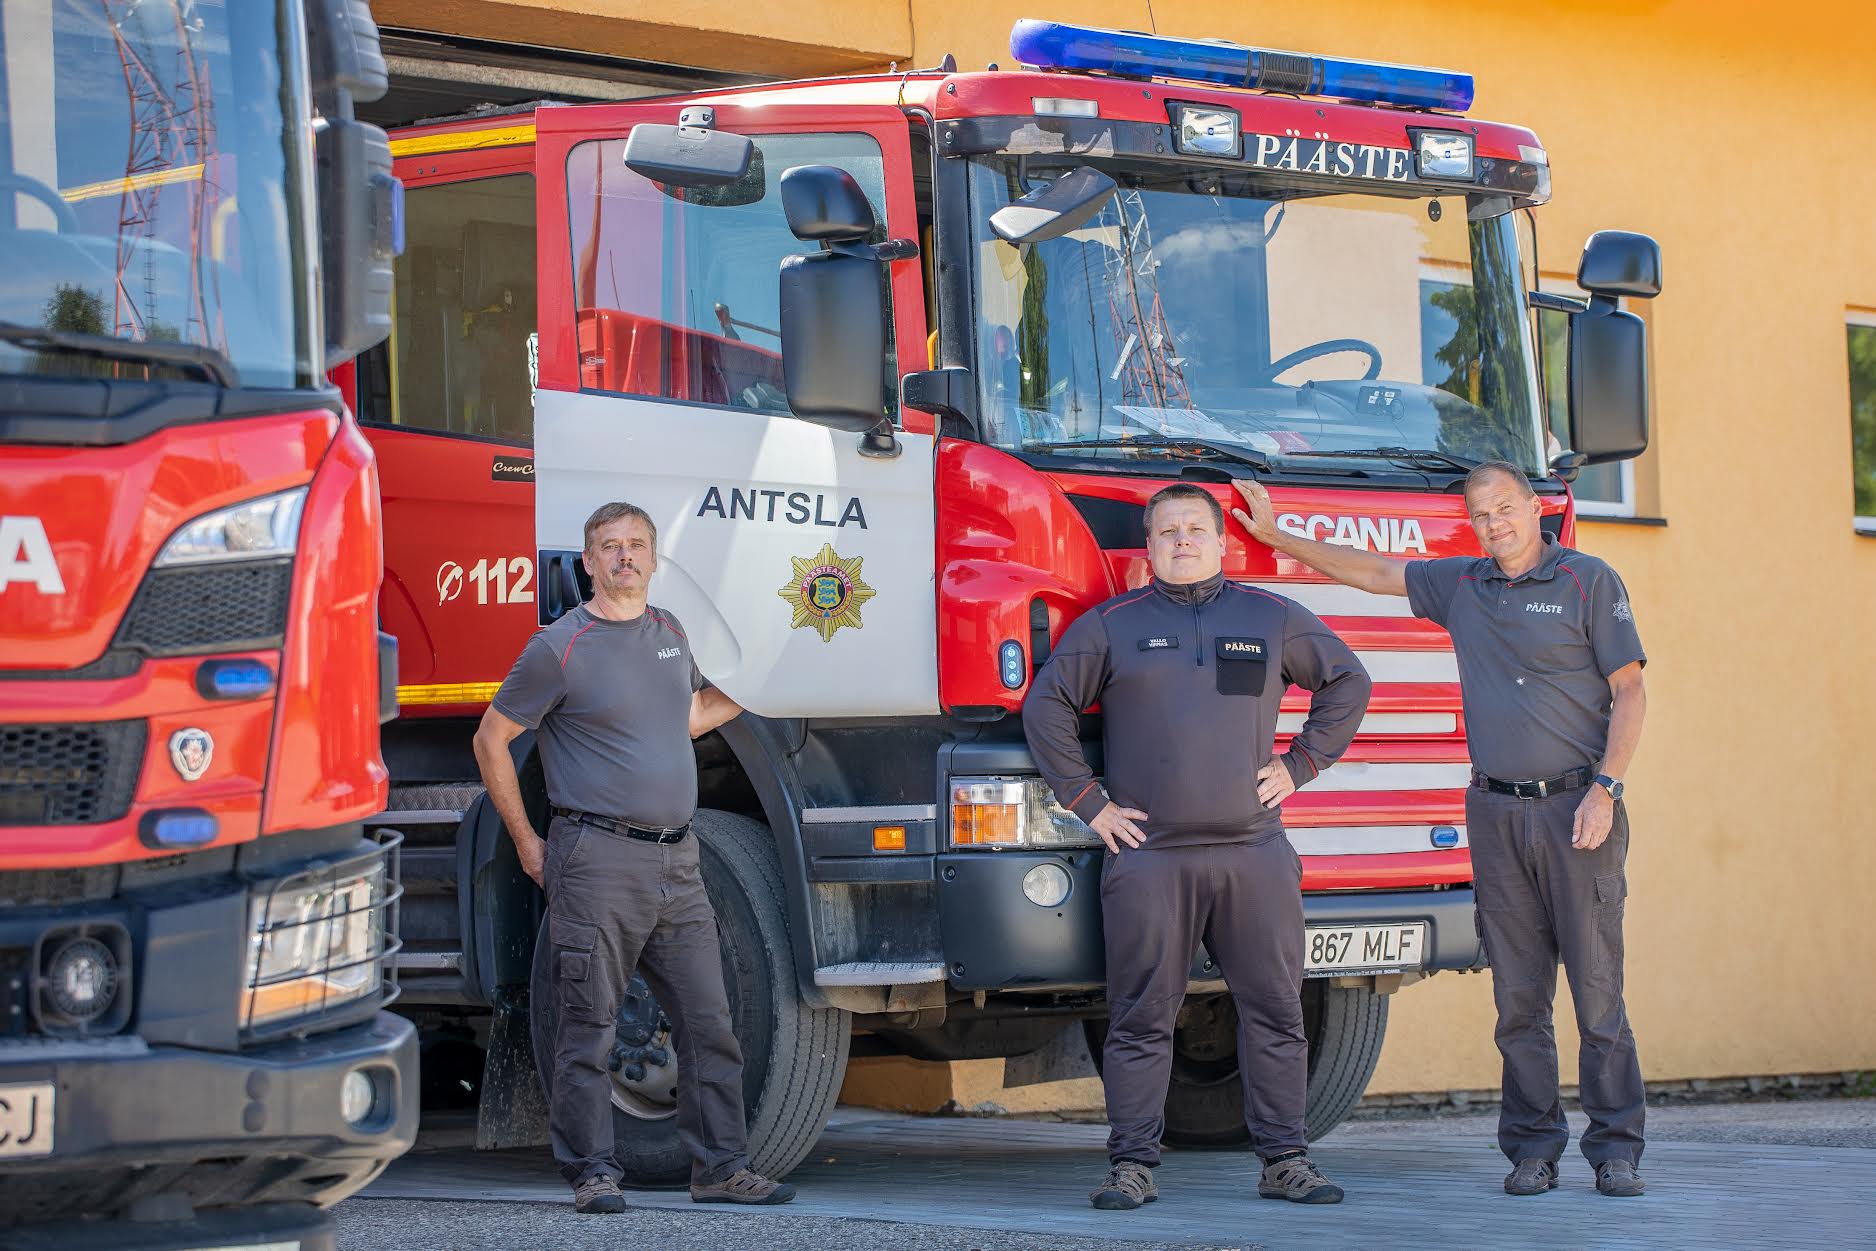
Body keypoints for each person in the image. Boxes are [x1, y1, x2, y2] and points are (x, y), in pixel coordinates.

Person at [1232, 465, 1649, 1199]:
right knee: (1519, 999)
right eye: (1481, 514)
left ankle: (1616, 1148)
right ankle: (1532, 1148)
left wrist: (1606, 789)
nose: (1495, 524)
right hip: (1493, 813)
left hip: (1577, 810)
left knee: (1596, 990)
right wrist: (1278, 536)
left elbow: (1631, 689)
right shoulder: (1463, 585)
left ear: (1532, 508)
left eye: (1506, 509)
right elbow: (1373, 571)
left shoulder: (1590, 581)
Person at [1023, 482, 1372, 1211]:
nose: (1182, 539)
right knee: (1141, 1015)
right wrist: (1089, 802)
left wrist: (1302, 762)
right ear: (1147, 548)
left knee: (1276, 1010)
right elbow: (1046, 705)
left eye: (1195, 529)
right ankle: (1131, 1165)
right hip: (1150, 858)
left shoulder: (1270, 617)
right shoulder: (1111, 625)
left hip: (1254, 853)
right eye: (1168, 530)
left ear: (1221, 542)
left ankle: (1285, 1159)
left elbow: (1348, 680)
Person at [472, 501, 795, 1214]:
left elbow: (681, 719)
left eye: (637, 545)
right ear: (587, 561)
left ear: (653, 558)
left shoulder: (671, 634)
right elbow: (491, 739)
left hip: (678, 862)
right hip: (596, 858)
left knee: (710, 1019)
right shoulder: (559, 646)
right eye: (610, 546)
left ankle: (720, 1167)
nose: (625, 557)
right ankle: (592, 1171)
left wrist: (759, 683)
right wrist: (528, 840)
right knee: (589, 1023)